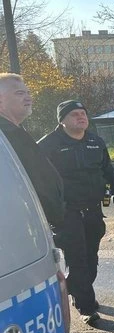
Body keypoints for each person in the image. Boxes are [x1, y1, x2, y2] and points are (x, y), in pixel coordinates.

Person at [38, 100, 114, 324]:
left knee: (91, 258)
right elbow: (37, 178)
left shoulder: (96, 141)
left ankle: (76, 289)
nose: (81, 117)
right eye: (75, 114)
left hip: (93, 210)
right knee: (78, 259)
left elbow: (107, 170)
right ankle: (86, 306)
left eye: (83, 113)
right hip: (67, 213)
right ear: (62, 120)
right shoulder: (48, 145)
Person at [0, 73, 64, 226]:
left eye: (28, 93)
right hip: (16, 228)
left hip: (35, 224)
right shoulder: (4, 136)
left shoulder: (16, 132)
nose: (28, 98)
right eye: (19, 93)